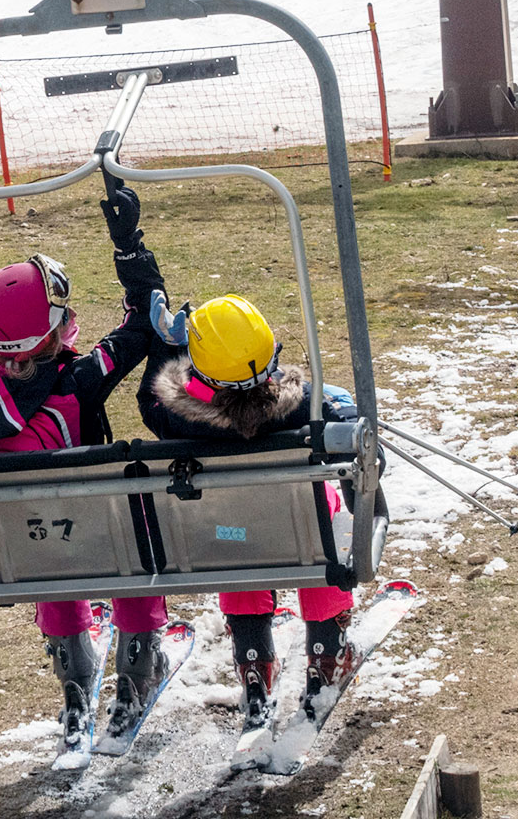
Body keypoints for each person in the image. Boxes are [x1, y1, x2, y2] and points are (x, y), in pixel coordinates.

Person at [0, 184, 168, 754]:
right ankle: (138, 665)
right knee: (127, 530)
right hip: (109, 539)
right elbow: (144, 323)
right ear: (51, 329)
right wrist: (128, 246)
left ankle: (74, 676)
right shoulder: (80, 379)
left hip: (33, 553)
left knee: (40, 536)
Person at [135, 293, 360, 730]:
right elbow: (350, 428)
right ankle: (328, 654)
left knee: (230, 529)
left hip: (231, 541)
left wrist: (167, 345)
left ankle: (254, 667)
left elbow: (151, 399)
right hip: (298, 535)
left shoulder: (176, 419)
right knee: (323, 517)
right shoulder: (309, 405)